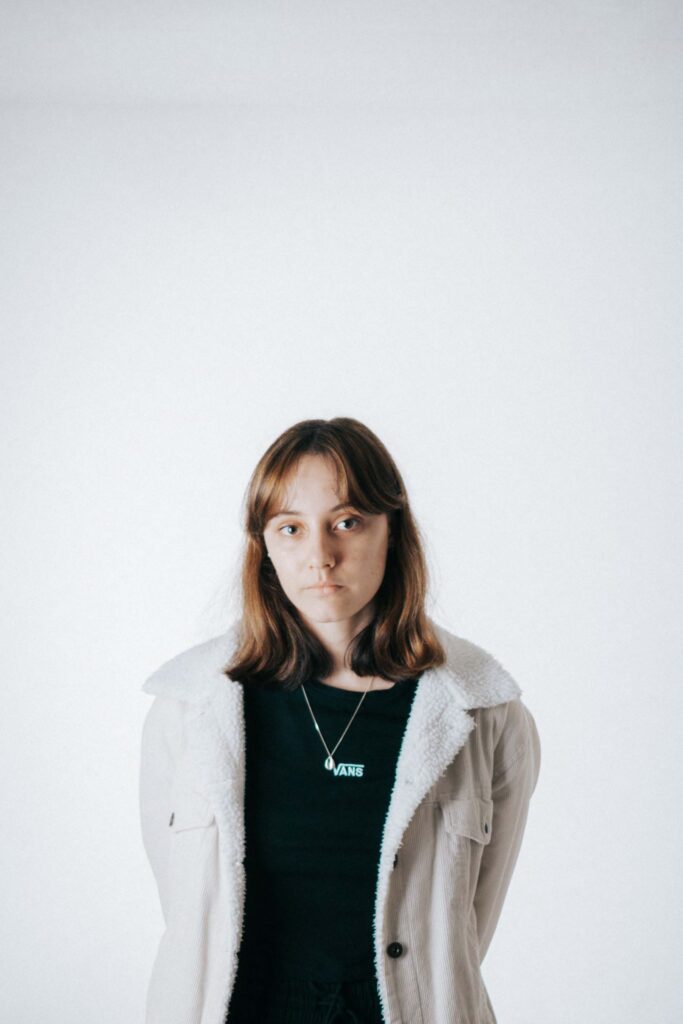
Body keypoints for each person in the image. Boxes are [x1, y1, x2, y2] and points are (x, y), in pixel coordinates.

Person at [139, 416, 541, 1024]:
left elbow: (463, 931)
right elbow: (191, 911)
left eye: (347, 522)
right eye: (291, 528)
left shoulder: (483, 713)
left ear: (392, 530)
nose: (320, 556)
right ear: (265, 546)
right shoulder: (189, 707)